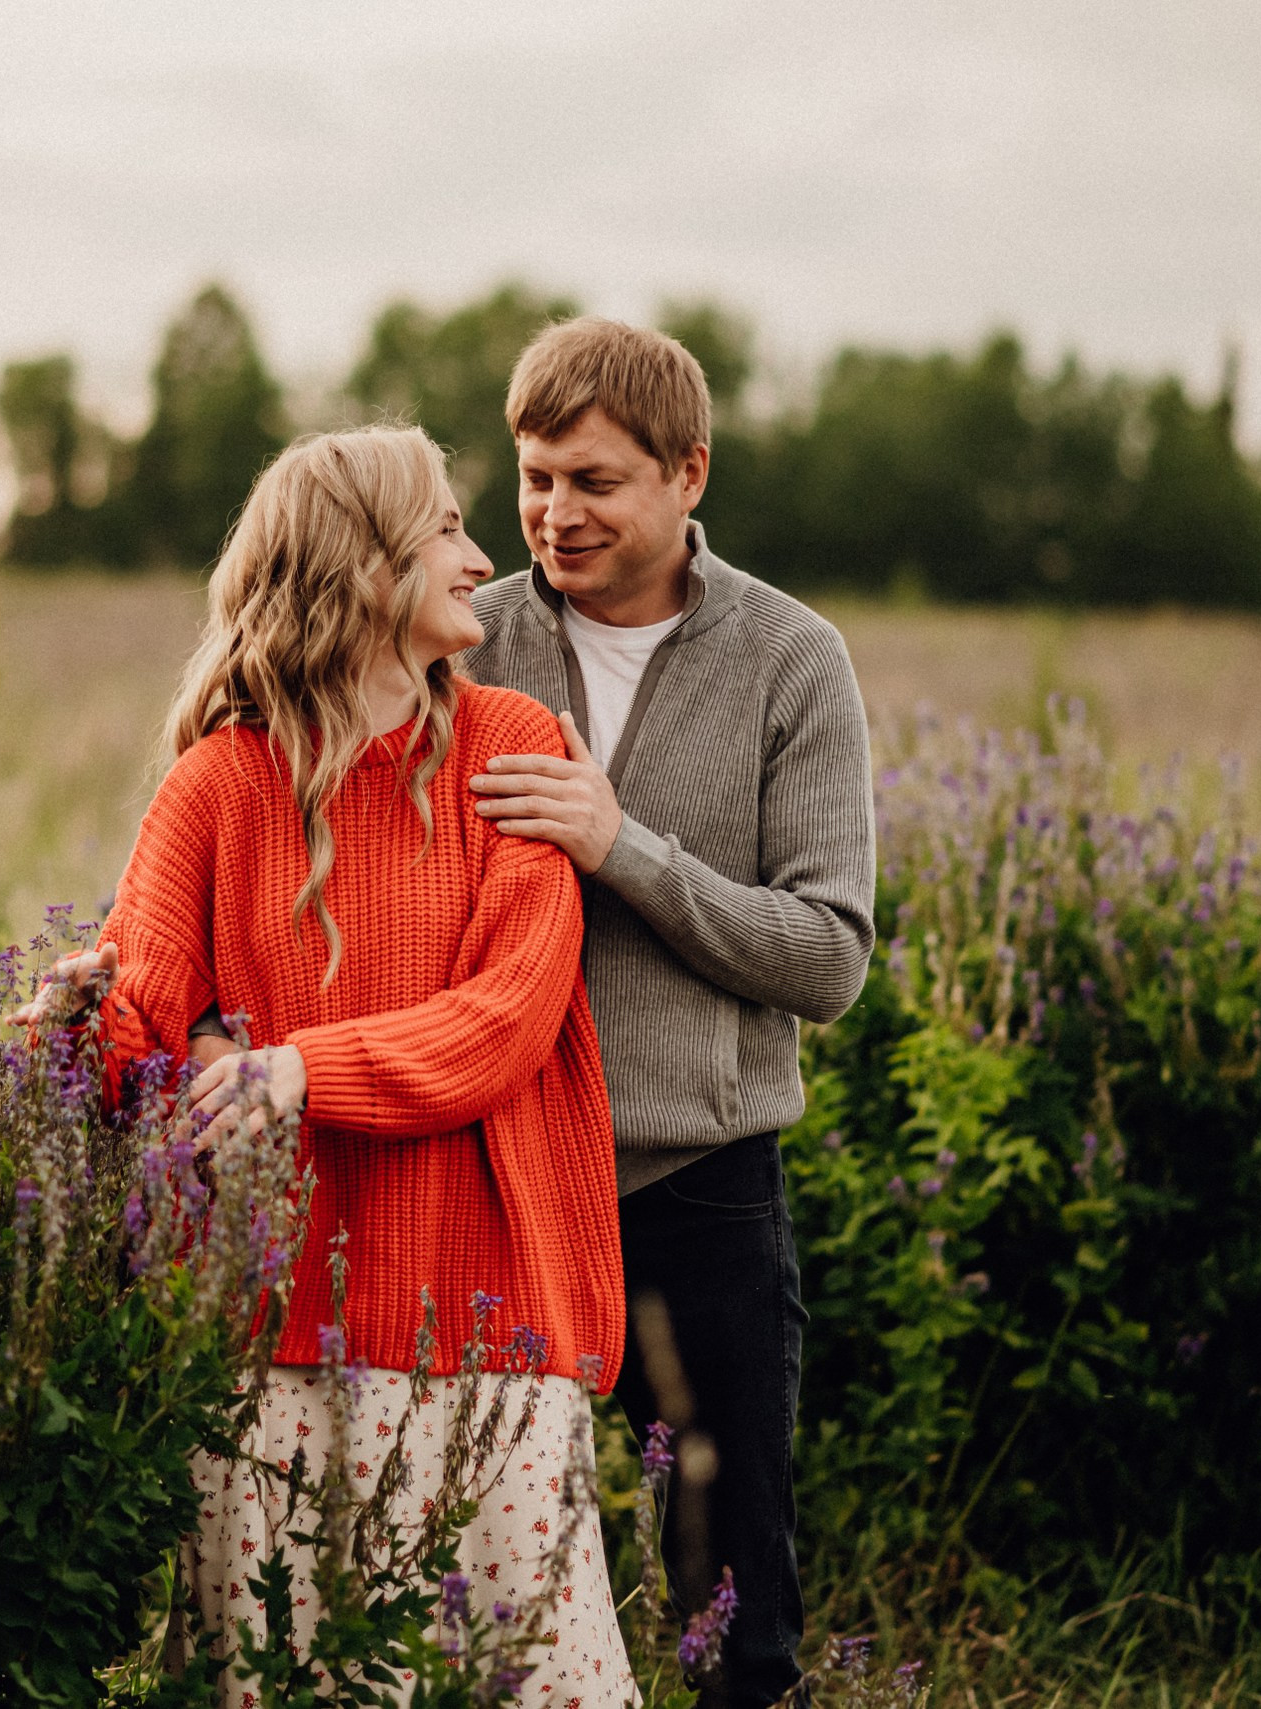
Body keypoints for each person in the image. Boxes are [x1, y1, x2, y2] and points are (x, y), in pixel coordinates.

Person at [19, 425, 634, 1706]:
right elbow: (148, 1022)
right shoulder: (217, 787)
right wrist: (74, 1029)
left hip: (488, 1324)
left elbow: (508, 1018)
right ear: (364, 570)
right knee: (288, 1682)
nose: (483, 558)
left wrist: (295, 1070)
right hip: (268, 1332)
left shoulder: (510, 746)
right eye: (447, 531)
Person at [463, 319, 878, 1709]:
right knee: (472, 1593)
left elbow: (827, 956)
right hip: (491, 1181)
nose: (554, 515)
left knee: (735, 1622)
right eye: (534, 478)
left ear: (690, 472)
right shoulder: (468, 641)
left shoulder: (792, 658)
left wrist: (620, 844)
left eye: (595, 482)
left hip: (699, 1195)